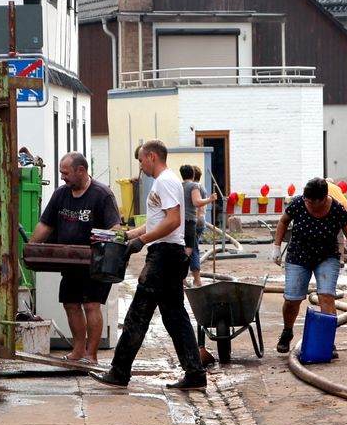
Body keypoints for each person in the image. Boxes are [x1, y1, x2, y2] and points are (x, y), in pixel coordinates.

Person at [91, 141, 207, 390]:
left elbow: (173, 221)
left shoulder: (165, 181)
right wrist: (130, 235)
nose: (140, 165)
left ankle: (120, 371)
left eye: (141, 160)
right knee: (175, 317)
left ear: (152, 156)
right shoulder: (165, 181)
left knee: (138, 314)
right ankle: (195, 374)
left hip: (164, 256)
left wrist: (142, 241)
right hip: (168, 254)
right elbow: (159, 221)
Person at [29, 152, 121, 365]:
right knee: (70, 304)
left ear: (81, 170)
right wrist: (32, 248)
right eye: (61, 172)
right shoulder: (61, 194)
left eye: (65, 173)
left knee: (91, 305)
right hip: (70, 262)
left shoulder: (102, 195)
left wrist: (106, 249)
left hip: (95, 263)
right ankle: (78, 351)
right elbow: (46, 224)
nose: (62, 177)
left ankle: (92, 355)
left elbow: (115, 228)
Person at [272, 177, 347, 356]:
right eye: (307, 200)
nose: (309, 203)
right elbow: (283, 222)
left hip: (326, 257)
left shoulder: (336, 209)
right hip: (299, 256)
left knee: (326, 296)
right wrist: (276, 246)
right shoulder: (299, 204)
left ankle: (328, 341)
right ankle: (287, 331)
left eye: (312, 201)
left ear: (323, 198)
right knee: (292, 299)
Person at [180, 165, 217, 287]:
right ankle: (195, 279)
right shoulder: (197, 187)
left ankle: (186, 277)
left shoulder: (184, 186)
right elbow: (197, 204)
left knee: (189, 248)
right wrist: (211, 199)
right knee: (193, 250)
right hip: (195, 221)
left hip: (187, 221)